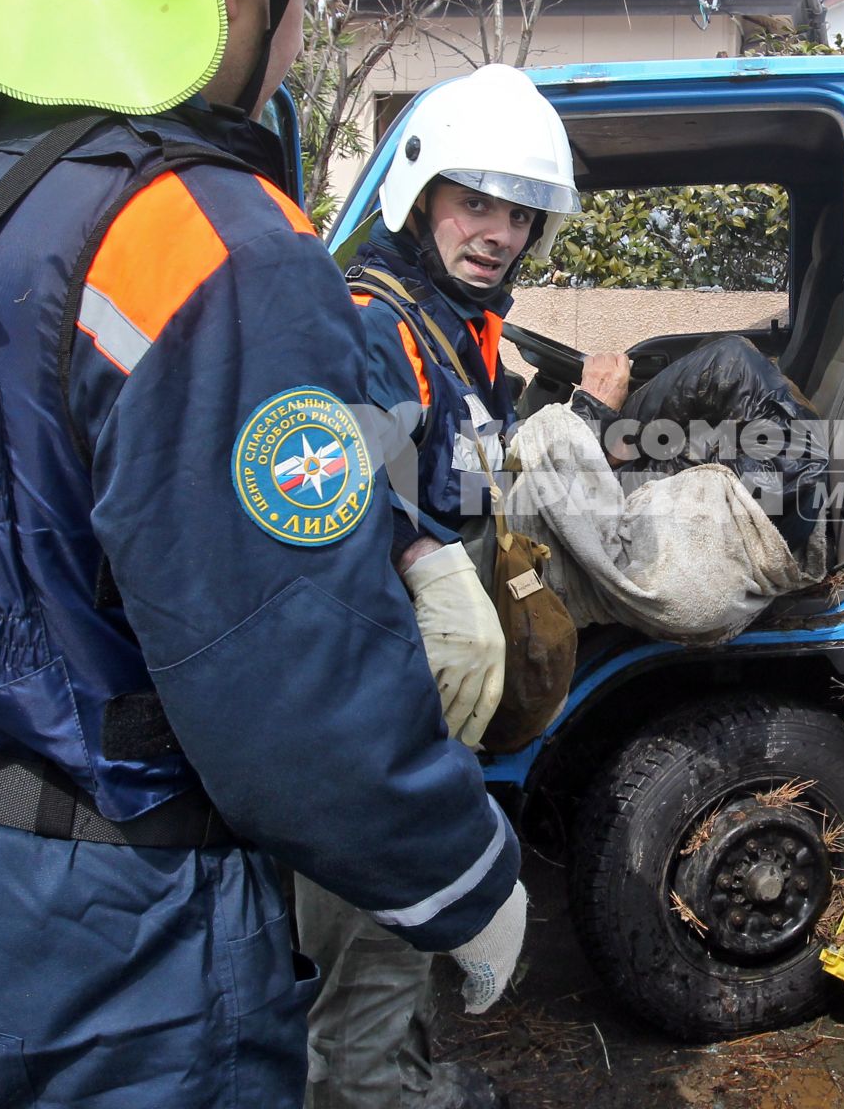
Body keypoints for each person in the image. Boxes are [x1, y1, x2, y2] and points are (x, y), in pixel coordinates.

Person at [0, 0, 524, 1106]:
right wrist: (453, 871)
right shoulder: (191, 238)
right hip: (92, 934)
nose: (300, 42)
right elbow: (289, 671)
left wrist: (399, 526)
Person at [299, 63, 625, 1109]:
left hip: (422, 683)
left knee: (405, 909)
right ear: (419, 193)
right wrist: (419, 558)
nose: (495, 230)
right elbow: (345, 473)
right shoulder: (374, 319)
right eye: (473, 200)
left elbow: (456, 455)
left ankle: (403, 1070)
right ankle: (371, 1089)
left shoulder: (459, 330)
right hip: (371, 686)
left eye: (517, 212)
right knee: (376, 908)